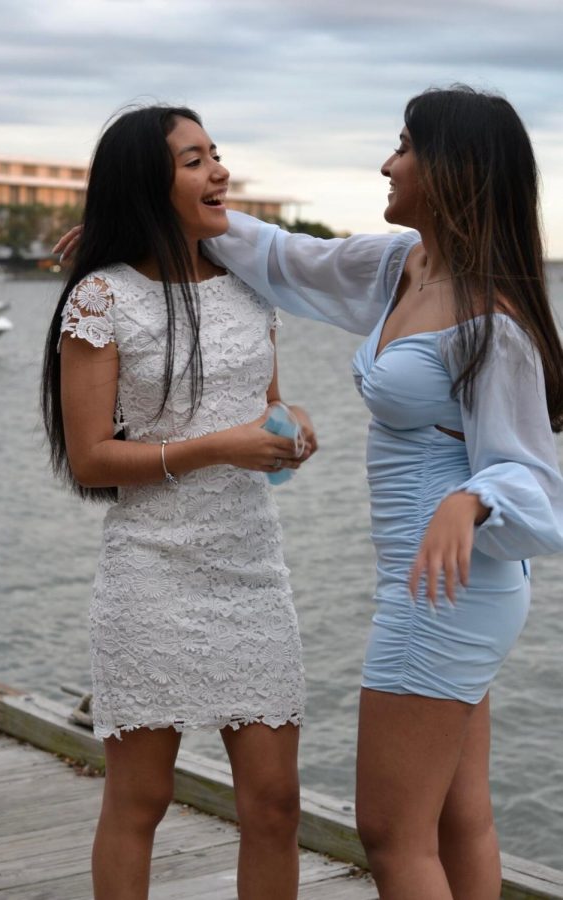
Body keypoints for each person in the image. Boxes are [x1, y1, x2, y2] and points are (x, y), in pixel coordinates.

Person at [202, 86, 563, 900]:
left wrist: (467, 500)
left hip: (444, 591)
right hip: (436, 582)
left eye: (404, 146)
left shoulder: (491, 321)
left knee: (392, 835)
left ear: (450, 169)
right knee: (456, 820)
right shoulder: (405, 267)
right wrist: (159, 226)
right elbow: (290, 257)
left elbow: (536, 480)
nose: (387, 162)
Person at [42, 104, 317, 900]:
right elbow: (94, 457)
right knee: (142, 800)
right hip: (150, 571)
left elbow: (263, 410)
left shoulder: (249, 288)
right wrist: (219, 447)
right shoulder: (101, 298)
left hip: (252, 572)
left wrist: (290, 430)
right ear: (146, 183)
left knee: (275, 804)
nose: (218, 171)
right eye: (194, 160)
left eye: (216, 154)